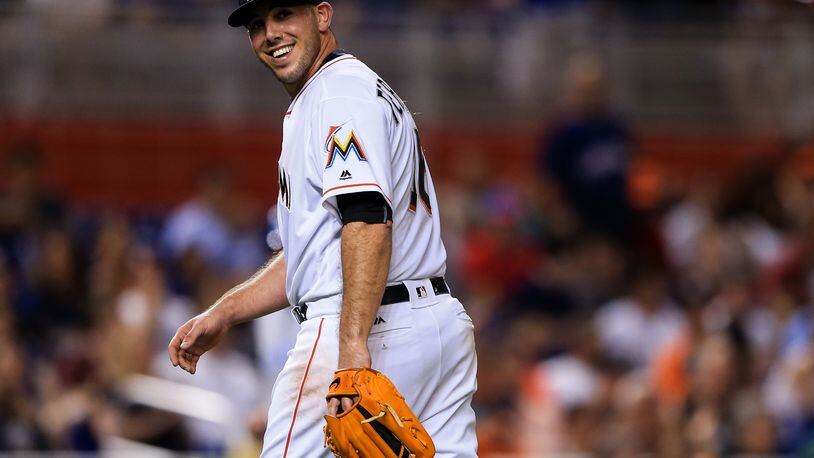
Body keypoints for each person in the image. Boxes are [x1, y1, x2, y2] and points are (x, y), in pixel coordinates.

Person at [167, 1, 478, 456]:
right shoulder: (352, 89)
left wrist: (351, 350)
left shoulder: (336, 94)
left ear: (322, 16)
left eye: (283, 15)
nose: (270, 33)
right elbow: (318, 253)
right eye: (257, 25)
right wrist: (225, 312)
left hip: (362, 326)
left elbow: (368, 218)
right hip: (436, 324)